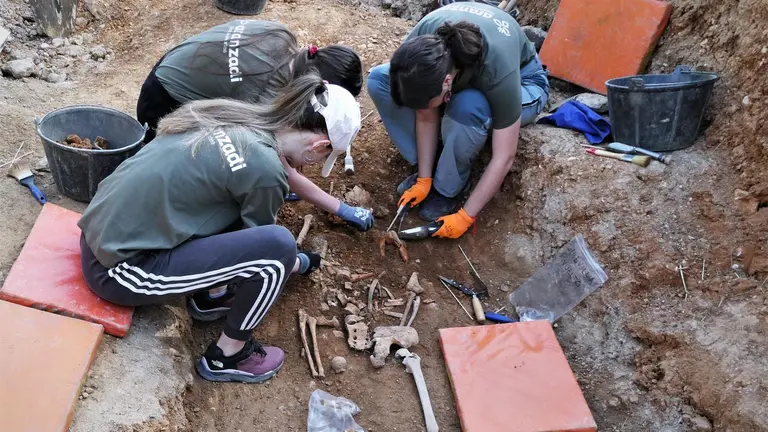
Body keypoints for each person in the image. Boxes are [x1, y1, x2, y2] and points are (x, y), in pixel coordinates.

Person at [79, 72, 361, 383]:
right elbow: (263, 251)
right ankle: (228, 355)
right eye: (321, 157)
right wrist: (299, 262)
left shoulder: (233, 116)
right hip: (120, 272)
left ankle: (210, 297)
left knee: (225, 207)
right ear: (320, 145)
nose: (309, 165)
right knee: (279, 246)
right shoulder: (266, 169)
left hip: (99, 234)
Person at [137, 19, 372, 232]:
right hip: (163, 103)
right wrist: (340, 208)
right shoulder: (263, 96)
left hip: (172, 65)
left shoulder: (282, 36)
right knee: (232, 181)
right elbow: (277, 168)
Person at [367, 2, 549, 239]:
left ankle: (447, 187)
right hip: (458, 80)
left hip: (525, 82)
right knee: (380, 78)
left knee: (468, 106)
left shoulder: (497, 69)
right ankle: (427, 166)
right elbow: (424, 113)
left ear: (446, 83)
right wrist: (424, 178)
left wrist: (466, 216)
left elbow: (505, 157)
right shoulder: (422, 43)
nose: (421, 110)